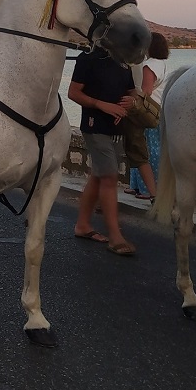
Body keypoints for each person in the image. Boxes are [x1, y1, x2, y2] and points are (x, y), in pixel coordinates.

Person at [69, 47, 136, 256]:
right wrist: (100, 105)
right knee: (109, 176)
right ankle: (115, 237)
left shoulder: (123, 58)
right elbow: (73, 92)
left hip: (116, 129)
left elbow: (131, 91)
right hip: (94, 126)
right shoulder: (88, 58)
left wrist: (132, 101)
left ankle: (82, 225)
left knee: (99, 176)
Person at [123, 32, 170, 199]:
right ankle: (136, 185)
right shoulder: (161, 63)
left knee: (146, 150)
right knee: (145, 148)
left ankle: (145, 189)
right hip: (160, 108)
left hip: (148, 112)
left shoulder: (149, 66)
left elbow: (146, 91)